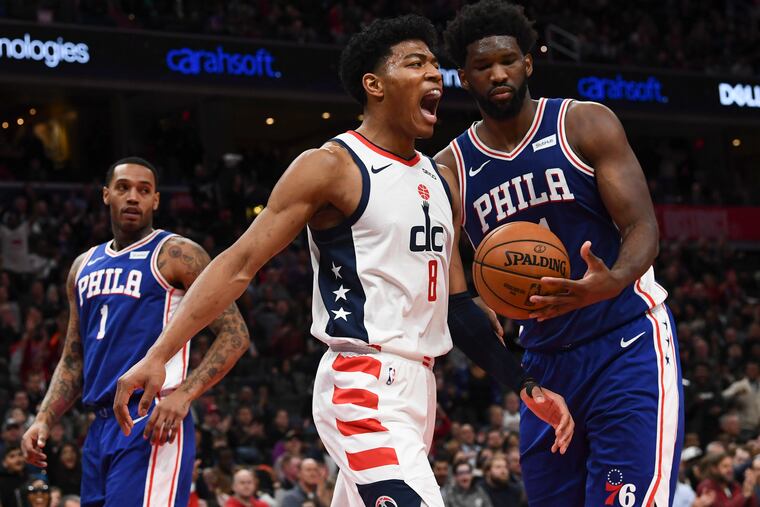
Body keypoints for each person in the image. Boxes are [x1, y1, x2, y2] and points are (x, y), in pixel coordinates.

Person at [113, 15, 571, 507]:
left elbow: (459, 310)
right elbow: (238, 263)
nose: (434, 74)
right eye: (415, 63)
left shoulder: (440, 181)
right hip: (362, 384)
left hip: (420, 393)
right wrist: (158, 355)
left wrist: (525, 385)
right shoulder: (332, 165)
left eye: (436, 65)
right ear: (373, 85)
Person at [436, 1, 684, 505]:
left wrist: (613, 279)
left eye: (507, 59)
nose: (498, 73)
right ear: (464, 77)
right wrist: (470, 299)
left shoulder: (584, 124)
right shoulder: (450, 170)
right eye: (482, 66)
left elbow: (642, 227)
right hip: (544, 365)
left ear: (528, 62)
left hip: (624, 340)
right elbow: (451, 282)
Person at [20, 157, 250, 506]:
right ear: (106, 195)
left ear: (156, 200)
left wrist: (184, 396)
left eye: (144, 190)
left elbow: (235, 335)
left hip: (152, 418)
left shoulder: (177, 254)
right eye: (123, 188)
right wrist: (43, 419)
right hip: (99, 428)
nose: (133, 197)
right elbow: (72, 358)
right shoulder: (82, 267)